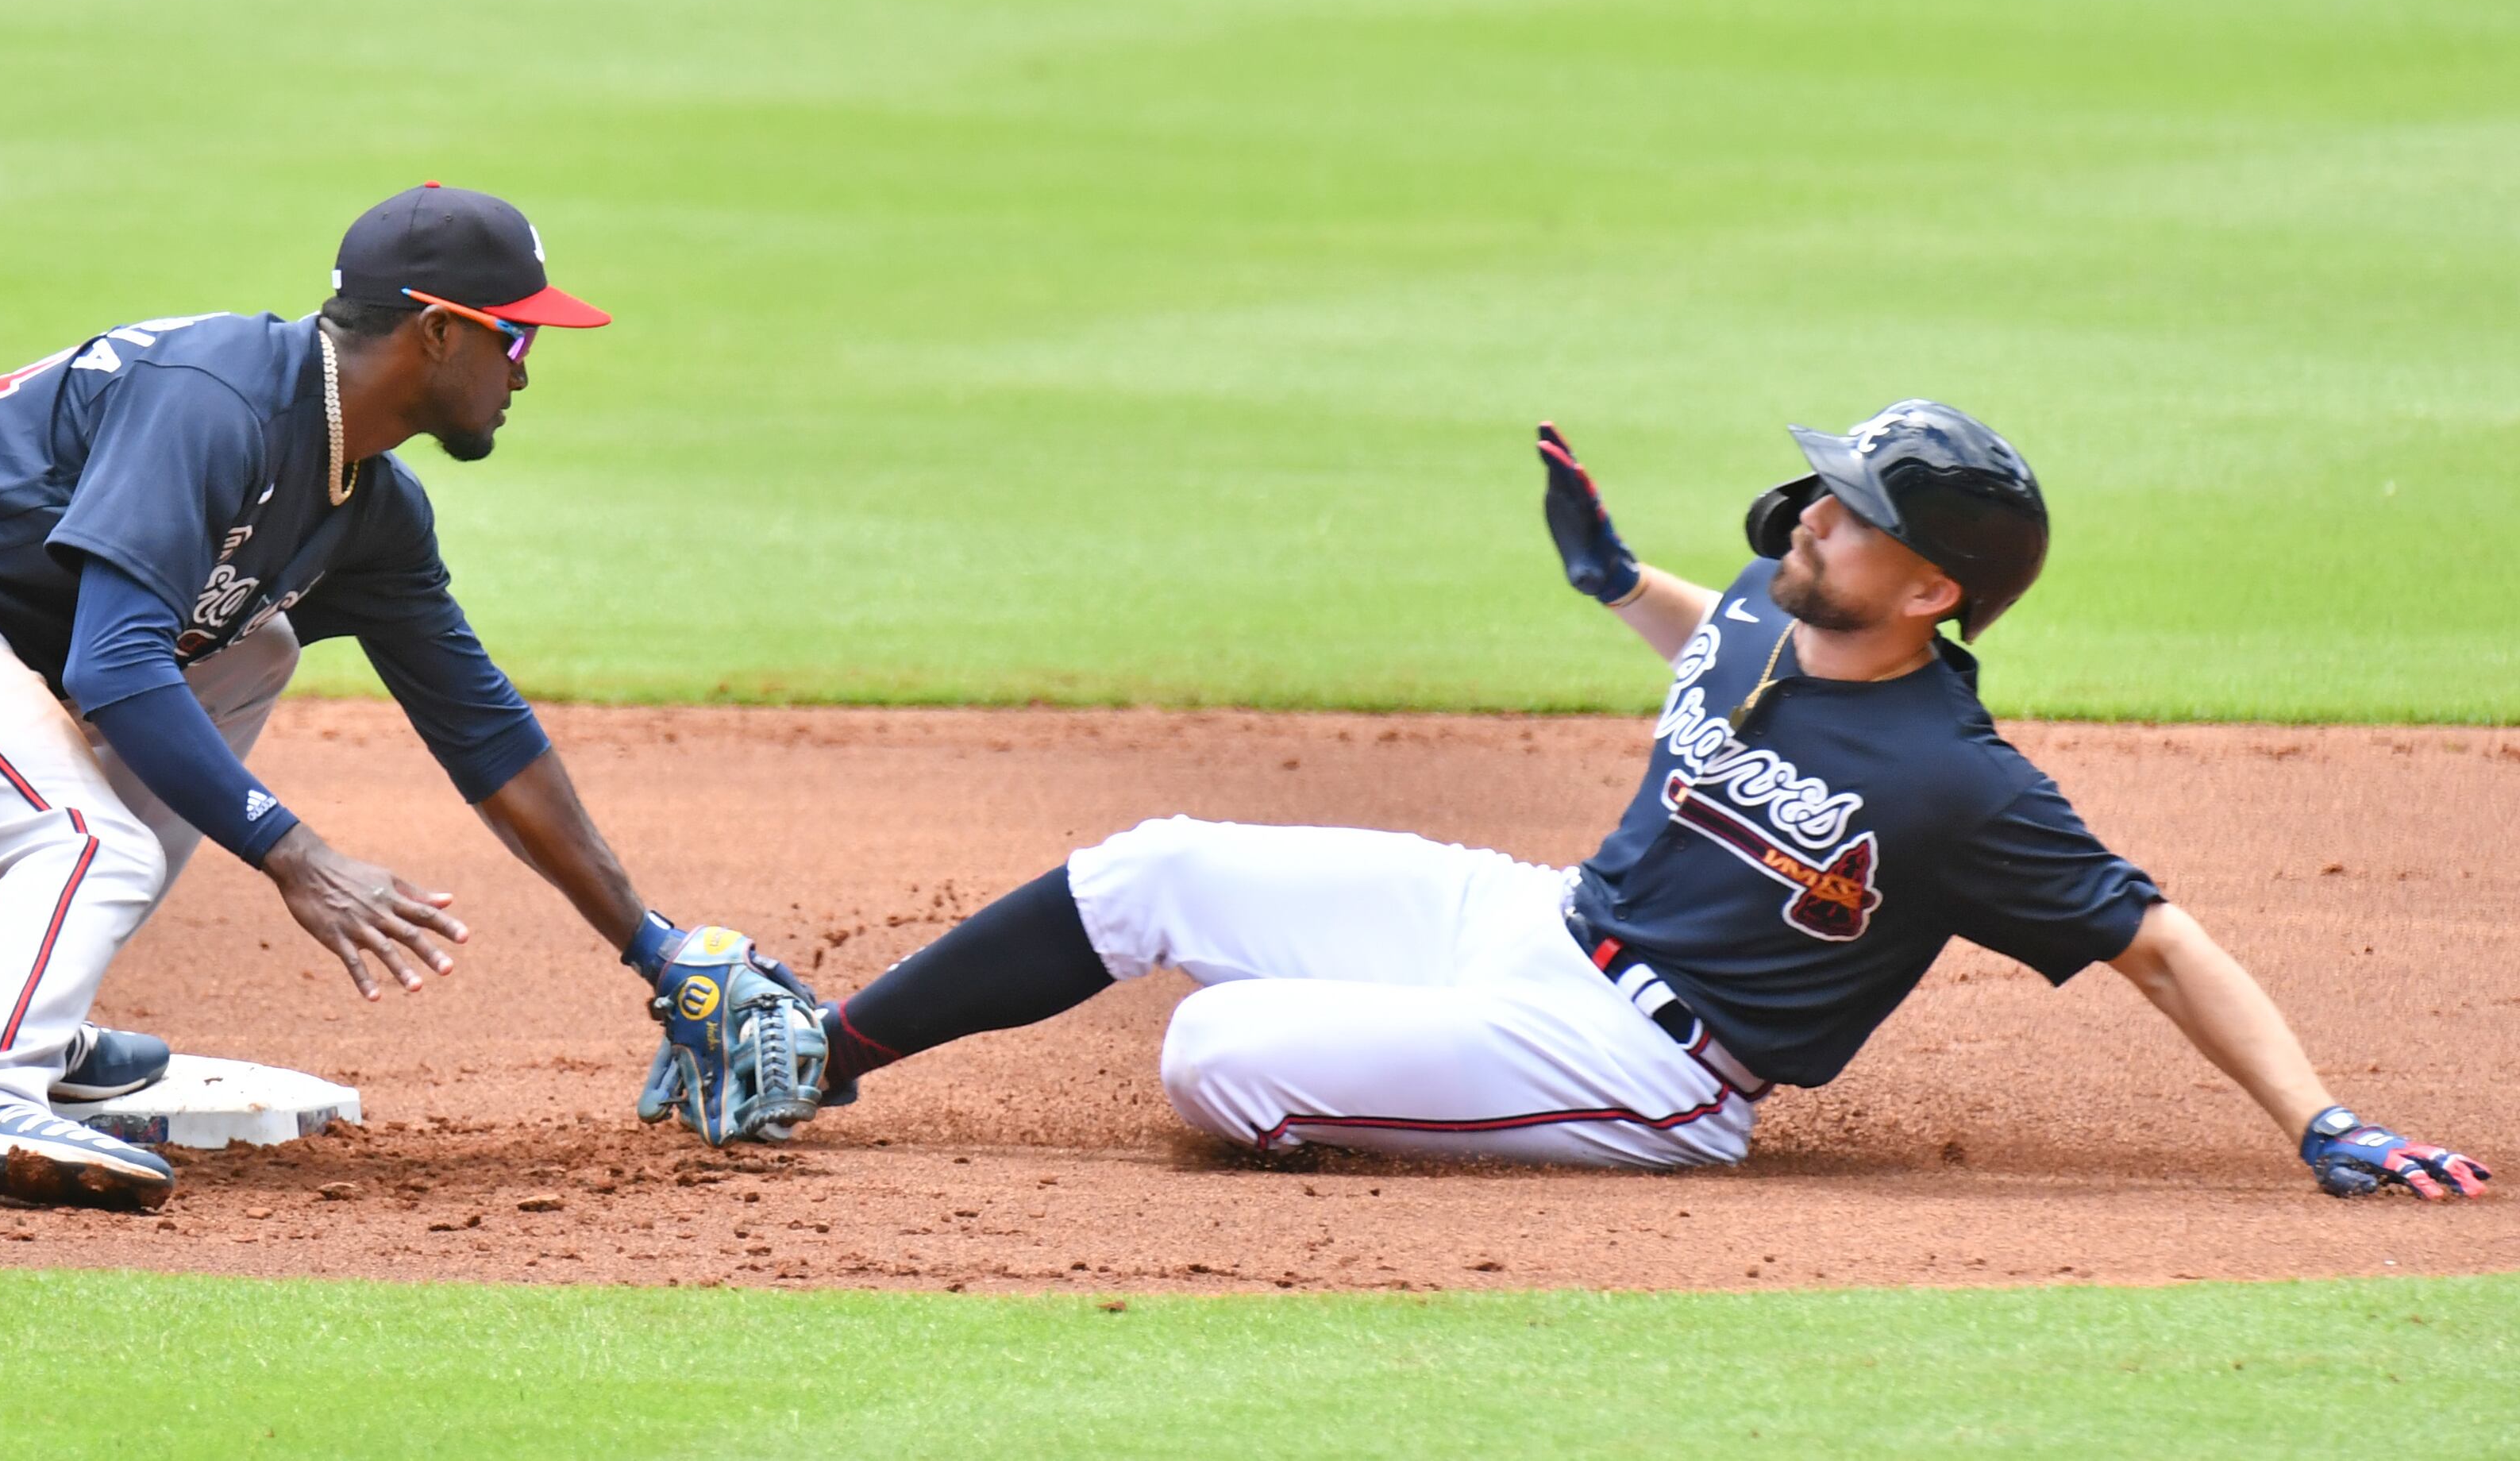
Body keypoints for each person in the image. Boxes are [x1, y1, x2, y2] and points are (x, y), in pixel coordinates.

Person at [806, 403, 2489, 1201]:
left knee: (1214, 1051)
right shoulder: (1771, 603)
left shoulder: (1962, 787)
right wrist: (1618, 581)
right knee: (1158, 867)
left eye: (1856, 510)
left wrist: (2319, 1118)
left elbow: (2160, 943)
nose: (1813, 512)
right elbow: (1718, 633)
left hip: (1653, 1070)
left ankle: (1408, 1074)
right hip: (1536, 916)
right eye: (1827, 488)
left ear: (1933, 590)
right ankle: (819, 1055)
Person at [0, 183, 792, 1210]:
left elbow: (485, 733)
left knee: (255, 646)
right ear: (437, 331)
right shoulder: (215, 398)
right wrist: (298, 855)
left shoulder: (370, 507)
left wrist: (653, 947)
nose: (526, 372)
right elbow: (112, 665)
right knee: (94, 844)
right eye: (515, 338)